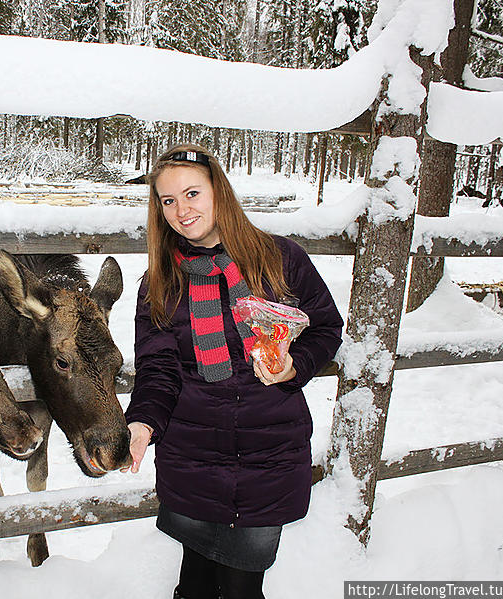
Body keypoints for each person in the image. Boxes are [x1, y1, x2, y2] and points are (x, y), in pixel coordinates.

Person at [122, 144, 344, 599]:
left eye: (192, 193)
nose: (182, 210)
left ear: (218, 191)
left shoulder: (280, 259)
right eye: (168, 201)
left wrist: (293, 367)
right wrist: (143, 422)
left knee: (244, 587)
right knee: (196, 582)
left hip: (269, 451)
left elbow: (325, 328)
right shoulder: (161, 282)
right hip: (193, 453)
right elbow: (158, 367)